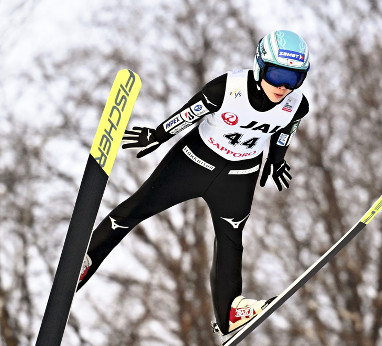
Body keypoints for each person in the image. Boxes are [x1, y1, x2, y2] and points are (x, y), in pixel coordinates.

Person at [77, 29, 311, 335]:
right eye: (277, 74)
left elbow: (285, 130)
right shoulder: (226, 89)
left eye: (293, 79)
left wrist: (277, 159)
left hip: (238, 174)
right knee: (134, 209)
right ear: (260, 66)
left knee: (231, 239)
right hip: (194, 161)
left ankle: (229, 313)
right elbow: (188, 114)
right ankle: (85, 262)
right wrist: (157, 135)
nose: (282, 86)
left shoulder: (297, 104)